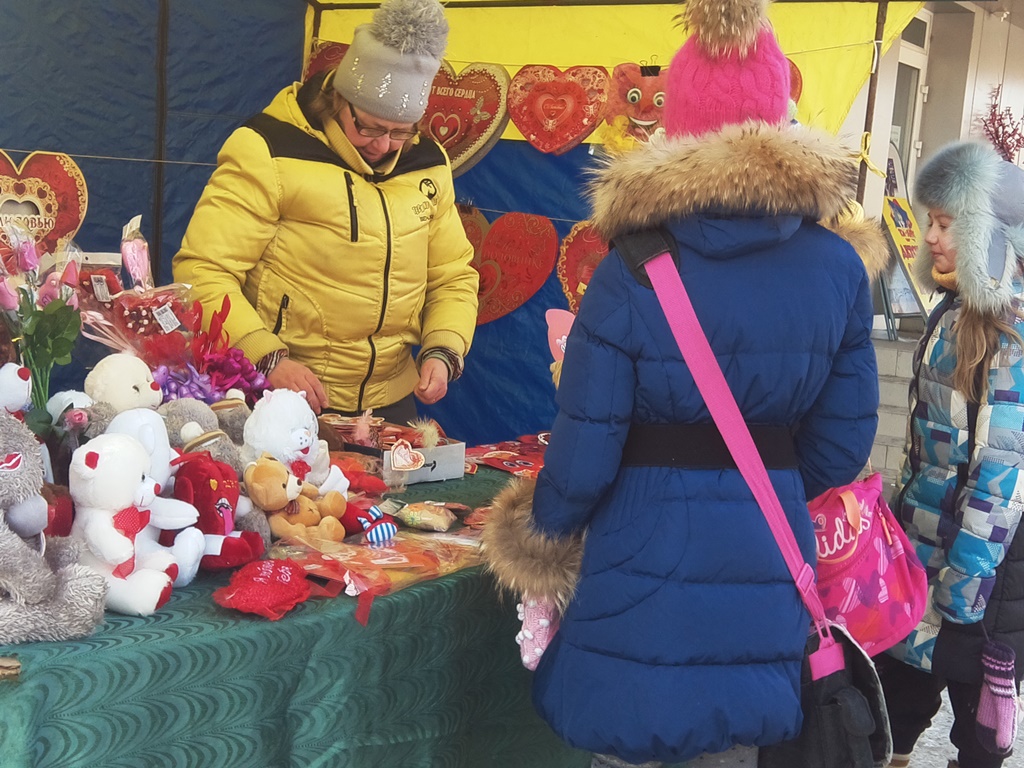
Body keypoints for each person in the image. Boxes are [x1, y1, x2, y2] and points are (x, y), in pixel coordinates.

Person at [482, 0, 888, 766]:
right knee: (736, 740)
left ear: (676, 130)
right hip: (768, 552)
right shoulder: (838, 267)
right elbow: (842, 444)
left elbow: (585, 451)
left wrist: (540, 529)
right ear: (778, 124)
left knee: (634, 739)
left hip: (641, 558)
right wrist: (758, 482)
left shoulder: (633, 266)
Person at [173, 0, 479, 423]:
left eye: (400, 132)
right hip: (284, 397)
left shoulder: (428, 162)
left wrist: (444, 347)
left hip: (390, 401)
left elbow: (453, 275)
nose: (382, 144)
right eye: (368, 126)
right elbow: (203, 271)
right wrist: (266, 357)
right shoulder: (268, 149)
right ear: (339, 99)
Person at [881, 140, 1024, 768]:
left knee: (978, 737)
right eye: (930, 221)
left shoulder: (1008, 334)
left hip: (983, 579)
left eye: (947, 223)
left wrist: (964, 588)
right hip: (929, 558)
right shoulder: (953, 312)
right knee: (892, 712)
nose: (932, 237)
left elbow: (1002, 474)